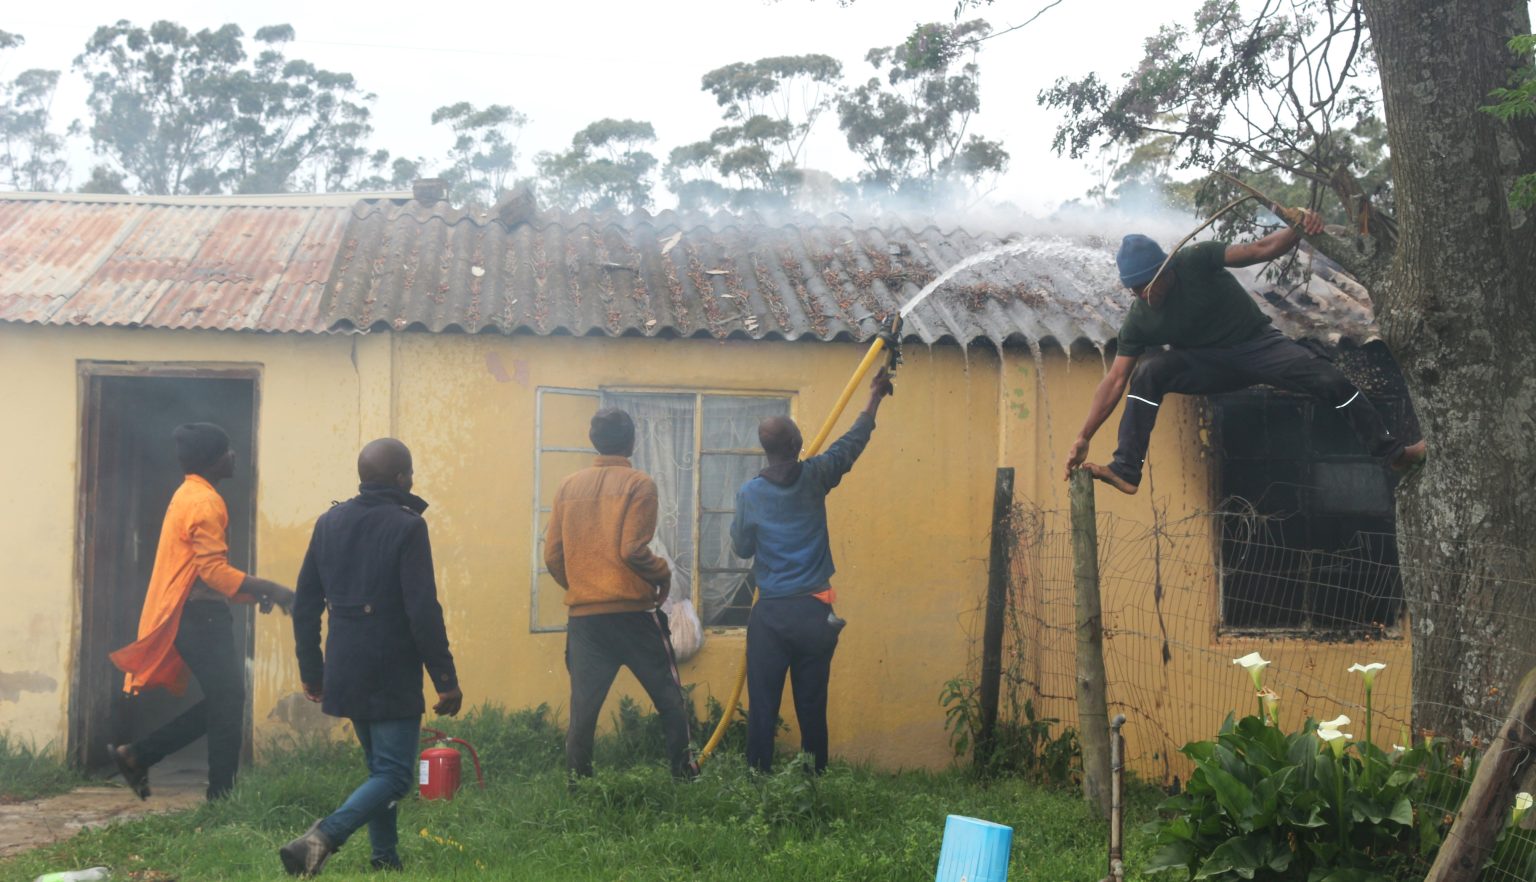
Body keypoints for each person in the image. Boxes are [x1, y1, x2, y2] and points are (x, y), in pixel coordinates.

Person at [1065, 214, 1427, 494]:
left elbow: (1259, 250)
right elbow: (1114, 381)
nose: (1143, 295)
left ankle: (1394, 454)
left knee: (1329, 378)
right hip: (1206, 365)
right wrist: (1084, 436)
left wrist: (1297, 227)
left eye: (1147, 285)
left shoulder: (1196, 259)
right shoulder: (1140, 319)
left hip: (1259, 346)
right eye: (1134, 291)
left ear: (1166, 267)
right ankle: (1126, 470)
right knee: (1148, 372)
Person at [279, 438, 462, 877]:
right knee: (396, 777)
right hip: (391, 668)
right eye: (410, 473)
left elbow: (305, 604)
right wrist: (445, 676)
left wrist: (313, 670)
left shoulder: (329, 521)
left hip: (344, 666)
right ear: (402, 478)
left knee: (380, 771)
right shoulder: (407, 526)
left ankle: (385, 859)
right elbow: (422, 608)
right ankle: (322, 839)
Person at [108, 423, 295, 802]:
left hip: (193, 614)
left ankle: (141, 756)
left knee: (225, 699)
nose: (234, 456)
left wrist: (246, 594)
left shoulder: (188, 494)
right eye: (228, 450)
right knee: (228, 700)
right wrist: (271, 588)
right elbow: (212, 571)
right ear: (214, 459)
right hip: (200, 619)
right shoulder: (206, 502)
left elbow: (200, 572)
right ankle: (218, 796)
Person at [731, 368, 893, 774]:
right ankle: (813, 782)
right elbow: (852, 444)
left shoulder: (750, 493)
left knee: (763, 707)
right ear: (799, 444)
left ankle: (757, 783)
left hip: (770, 615)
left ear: (764, 449)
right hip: (814, 612)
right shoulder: (817, 475)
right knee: (811, 706)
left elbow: (740, 547)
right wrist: (874, 398)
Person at [545, 408, 698, 781]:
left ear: (593, 440)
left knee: (584, 710)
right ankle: (685, 776)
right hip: (634, 615)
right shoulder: (639, 483)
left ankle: (578, 785)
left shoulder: (568, 486)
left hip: (585, 620)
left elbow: (552, 556)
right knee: (669, 699)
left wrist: (583, 586)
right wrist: (662, 573)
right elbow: (631, 550)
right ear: (632, 441)